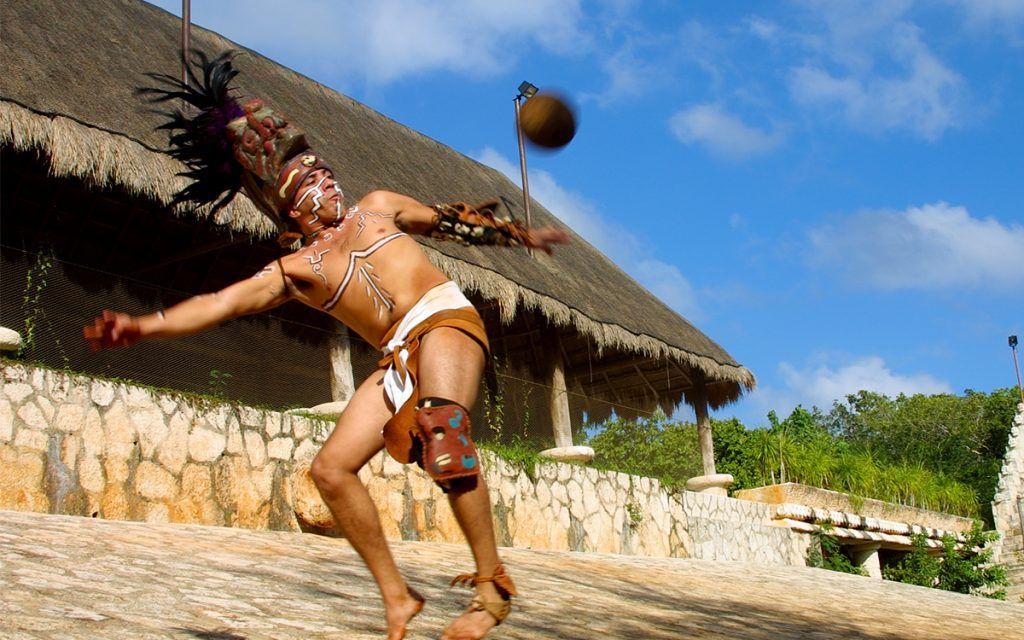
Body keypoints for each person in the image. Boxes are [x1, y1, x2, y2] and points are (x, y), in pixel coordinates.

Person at [84, 51, 569, 640]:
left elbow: (450, 222)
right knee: (332, 470)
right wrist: (142, 326)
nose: (325, 182)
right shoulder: (295, 270)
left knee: (443, 431)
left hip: (444, 319)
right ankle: (397, 597)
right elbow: (218, 304)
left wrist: (519, 235)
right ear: (289, 206)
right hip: (396, 356)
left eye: (323, 172)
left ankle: (492, 590)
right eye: (308, 181)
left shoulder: (378, 208)